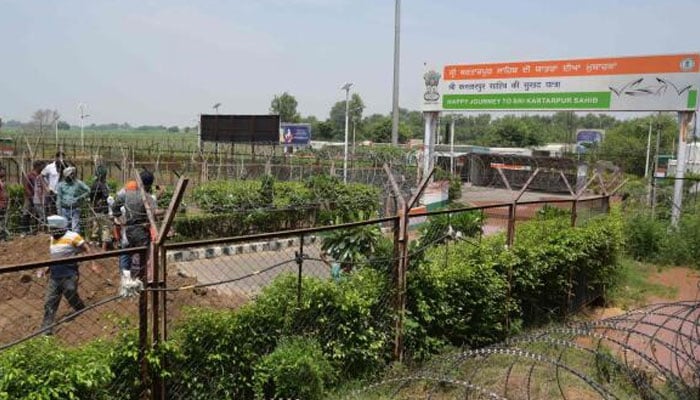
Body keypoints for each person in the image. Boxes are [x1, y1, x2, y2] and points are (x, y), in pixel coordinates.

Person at [38, 215, 97, 335]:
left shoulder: (73, 236)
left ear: (61, 228)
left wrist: (93, 263)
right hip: (55, 275)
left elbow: (87, 248)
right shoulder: (53, 239)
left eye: (53, 229)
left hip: (69, 272)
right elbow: (55, 257)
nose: (52, 231)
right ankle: (46, 330)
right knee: (50, 301)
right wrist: (46, 269)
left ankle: (81, 309)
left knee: (70, 292)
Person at [111, 170, 161, 295]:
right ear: (149, 185)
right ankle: (140, 283)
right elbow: (153, 215)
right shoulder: (148, 198)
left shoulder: (127, 194)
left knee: (125, 253)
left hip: (127, 231)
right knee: (143, 257)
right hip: (141, 233)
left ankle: (125, 282)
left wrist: (121, 219)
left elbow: (115, 207)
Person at [56, 167, 90, 233]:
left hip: (75, 208)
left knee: (75, 228)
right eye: (70, 174)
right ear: (66, 176)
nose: (72, 176)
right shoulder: (61, 185)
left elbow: (88, 190)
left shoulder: (78, 183)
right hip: (64, 209)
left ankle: (76, 242)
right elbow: (59, 198)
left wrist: (80, 198)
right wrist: (58, 210)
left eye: (72, 174)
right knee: (65, 228)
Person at [89, 165, 111, 250]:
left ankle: (94, 247)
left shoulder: (93, 184)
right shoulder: (102, 185)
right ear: (104, 175)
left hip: (95, 209)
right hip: (103, 209)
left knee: (96, 227)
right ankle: (103, 249)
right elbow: (106, 195)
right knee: (105, 227)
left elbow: (91, 196)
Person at [22, 160, 45, 235]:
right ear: (37, 166)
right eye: (42, 166)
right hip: (29, 198)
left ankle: (36, 231)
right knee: (27, 213)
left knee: (39, 214)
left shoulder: (40, 176)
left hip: (38, 199)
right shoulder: (29, 175)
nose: (43, 168)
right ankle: (25, 231)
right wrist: (30, 197)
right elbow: (26, 187)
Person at [41, 151, 66, 216]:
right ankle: (52, 225)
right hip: (52, 192)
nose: (62, 160)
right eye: (60, 158)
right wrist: (46, 187)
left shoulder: (66, 167)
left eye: (63, 158)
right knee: (51, 210)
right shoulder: (49, 167)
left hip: (62, 193)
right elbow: (41, 176)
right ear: (56, 158)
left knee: (62, 210)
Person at [0, 167, 7, 241]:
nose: (4, 173)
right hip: (0, 204)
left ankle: (2, 237)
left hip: (3, 204)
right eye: (2, 171)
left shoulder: (2, 181)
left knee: (2, 221)